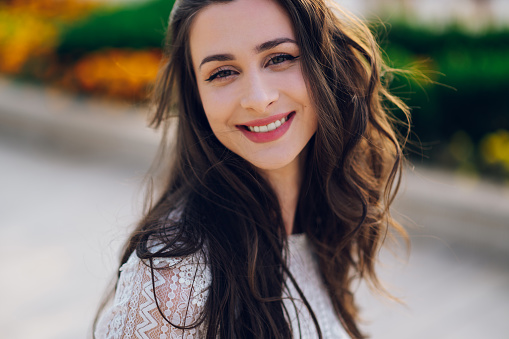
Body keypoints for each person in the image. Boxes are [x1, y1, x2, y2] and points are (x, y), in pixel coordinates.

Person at [94, 0, 410, 338]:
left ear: (325, 60)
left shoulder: (319, 218)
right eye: (223, 72)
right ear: (196, 97)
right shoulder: (172, 280)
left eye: (279, 58)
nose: (258, 99)